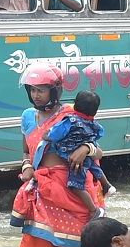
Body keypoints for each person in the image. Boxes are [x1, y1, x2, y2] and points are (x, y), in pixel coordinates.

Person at [10, 63, 105, 247]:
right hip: (41, 192)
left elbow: (100, 149)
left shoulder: (72, 115)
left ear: (55, 91)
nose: (36, 95)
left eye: (41, 90)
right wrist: (26, 167)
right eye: (32, 90)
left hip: (71, 189)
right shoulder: (27, 117)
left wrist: (86, 149)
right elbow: (25, 151)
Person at [45, 89, 116, 218]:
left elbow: (54, 134)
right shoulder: (95, 124)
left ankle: (94, 210)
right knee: (94, 167)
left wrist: (46, 135)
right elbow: (100, 134)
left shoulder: (69, 121)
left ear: (74, 105)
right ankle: (107, 185)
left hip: (75, 161)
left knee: (75, 186)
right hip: (88, 157)